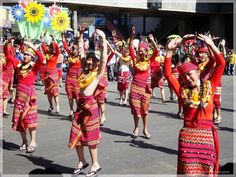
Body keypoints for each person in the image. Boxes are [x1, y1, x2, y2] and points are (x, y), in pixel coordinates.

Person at [164, 34, 225, 175]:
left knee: (206, 171)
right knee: (188, 173)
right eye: (184, 76)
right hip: (188, 138)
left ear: (198, 72)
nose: (187, 77)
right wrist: (169, 51)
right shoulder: (182, 91)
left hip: (206, 138)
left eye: (189, 74)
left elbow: (221, 64)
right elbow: (167, 73)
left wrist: (211, 44)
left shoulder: (211, 84)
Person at [68, 29, 107, 177]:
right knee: (75, 135)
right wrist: (79, 37)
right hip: (79, 108)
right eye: (89, 59)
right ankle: (81, 161)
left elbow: (104, 61)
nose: (90, 61)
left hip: (91, 109)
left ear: (96, 62)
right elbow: (82, 55)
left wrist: (103, 40)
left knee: (91, 139)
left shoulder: (97, 74)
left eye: (93, 60)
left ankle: (95, 164)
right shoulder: (84, 71)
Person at [4, 39, 44, 153]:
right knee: (20, 120)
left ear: (32, 57)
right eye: (24, 54)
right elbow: (8, 55)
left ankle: (33, 142)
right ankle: (24, 141)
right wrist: (8, 43)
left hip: (29, 97)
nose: (25, 56)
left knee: (30, 121)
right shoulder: (18, 64)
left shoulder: (34, 67)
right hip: (19, 96)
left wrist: (34, 48)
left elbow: (41, 59)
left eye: (28, 55)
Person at [129, 26, 159, 139]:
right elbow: (130, 47)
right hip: (135, 88)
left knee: (145, 111)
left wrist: (152, 41)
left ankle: (145, 129)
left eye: (142, 51)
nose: (140, 52)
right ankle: (136, 128)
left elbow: (157, 51)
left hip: (146, 89)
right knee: (136, 111)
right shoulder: (135, 59)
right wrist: (132, 36)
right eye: (139, 51)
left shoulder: (149, 60)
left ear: (146, 52)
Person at [62, 30, 82, 119]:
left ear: (78, 50)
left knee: (77, 97)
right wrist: (63, 38)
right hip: (69, 78)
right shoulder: (70, 55)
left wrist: (80, 35)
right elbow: (65, 47)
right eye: (72, 48)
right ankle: (71, 110)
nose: (72, 49)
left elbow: (81, 47)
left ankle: (78, 111)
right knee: (70, 97)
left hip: (77, 79)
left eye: (74, 49)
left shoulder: (80, 56)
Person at [41, 33, 60, 113]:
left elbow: (57, 47)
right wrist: (43, 37)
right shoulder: (47, 53)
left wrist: (54, 38)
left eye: (53, 47)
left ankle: (57, 106)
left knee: (55, 91)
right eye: (51, 47)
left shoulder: (56, 54)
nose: (52, 48)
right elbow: (43, 45)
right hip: (46, 74)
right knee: (48, 91)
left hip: (53, 74)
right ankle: (51, 106)